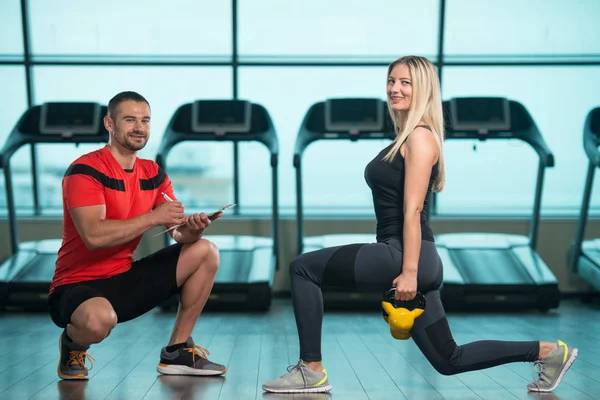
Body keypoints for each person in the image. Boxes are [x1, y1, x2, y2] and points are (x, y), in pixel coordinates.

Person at [262, 56, 578, 394]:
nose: (395, 88)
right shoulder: (407, 137)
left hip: (402, 254)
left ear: (423, 89)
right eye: (391, 80)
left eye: (405, 82)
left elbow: (412, 212)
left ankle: (311, 369)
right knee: (449, 359)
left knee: (303, 269)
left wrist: (409, 272)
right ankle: (548, 352)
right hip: (414, 256)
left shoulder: (420, 138)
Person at [48, 91, 227, 380]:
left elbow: (177, 233)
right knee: (98, 322)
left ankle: (177, 351)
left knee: (206, 250)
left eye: (145, 120)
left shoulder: (153, 173)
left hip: (125, 278)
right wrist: (154, 217)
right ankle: (73, 344)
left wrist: (194, 229)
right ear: (109, 124)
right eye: (130, 120)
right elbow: (94, 236)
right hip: (77, 285)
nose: (139, 128)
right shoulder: (85, 170)